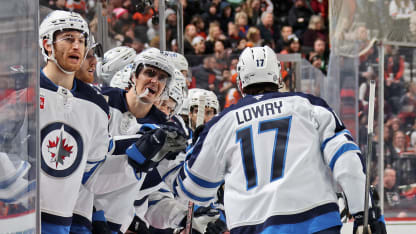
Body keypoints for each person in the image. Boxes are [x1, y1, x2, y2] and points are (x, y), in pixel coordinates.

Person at [158, 46, 386, 234]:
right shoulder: (309, 106)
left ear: (240, 81)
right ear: (278, 76)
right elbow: (346, 160)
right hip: (316, 222)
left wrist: (193, 151)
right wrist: (363, 211)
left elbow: (192, 192)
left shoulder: (222, 124)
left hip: (251, 226)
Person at [39, 11, 185, 234]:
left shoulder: (96, 105)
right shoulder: (26, 92)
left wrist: (138, 161)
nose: (77, 47)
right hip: (22, 214)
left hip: (71, 221)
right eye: (69, 38)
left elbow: (93, 174)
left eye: (81, 41)